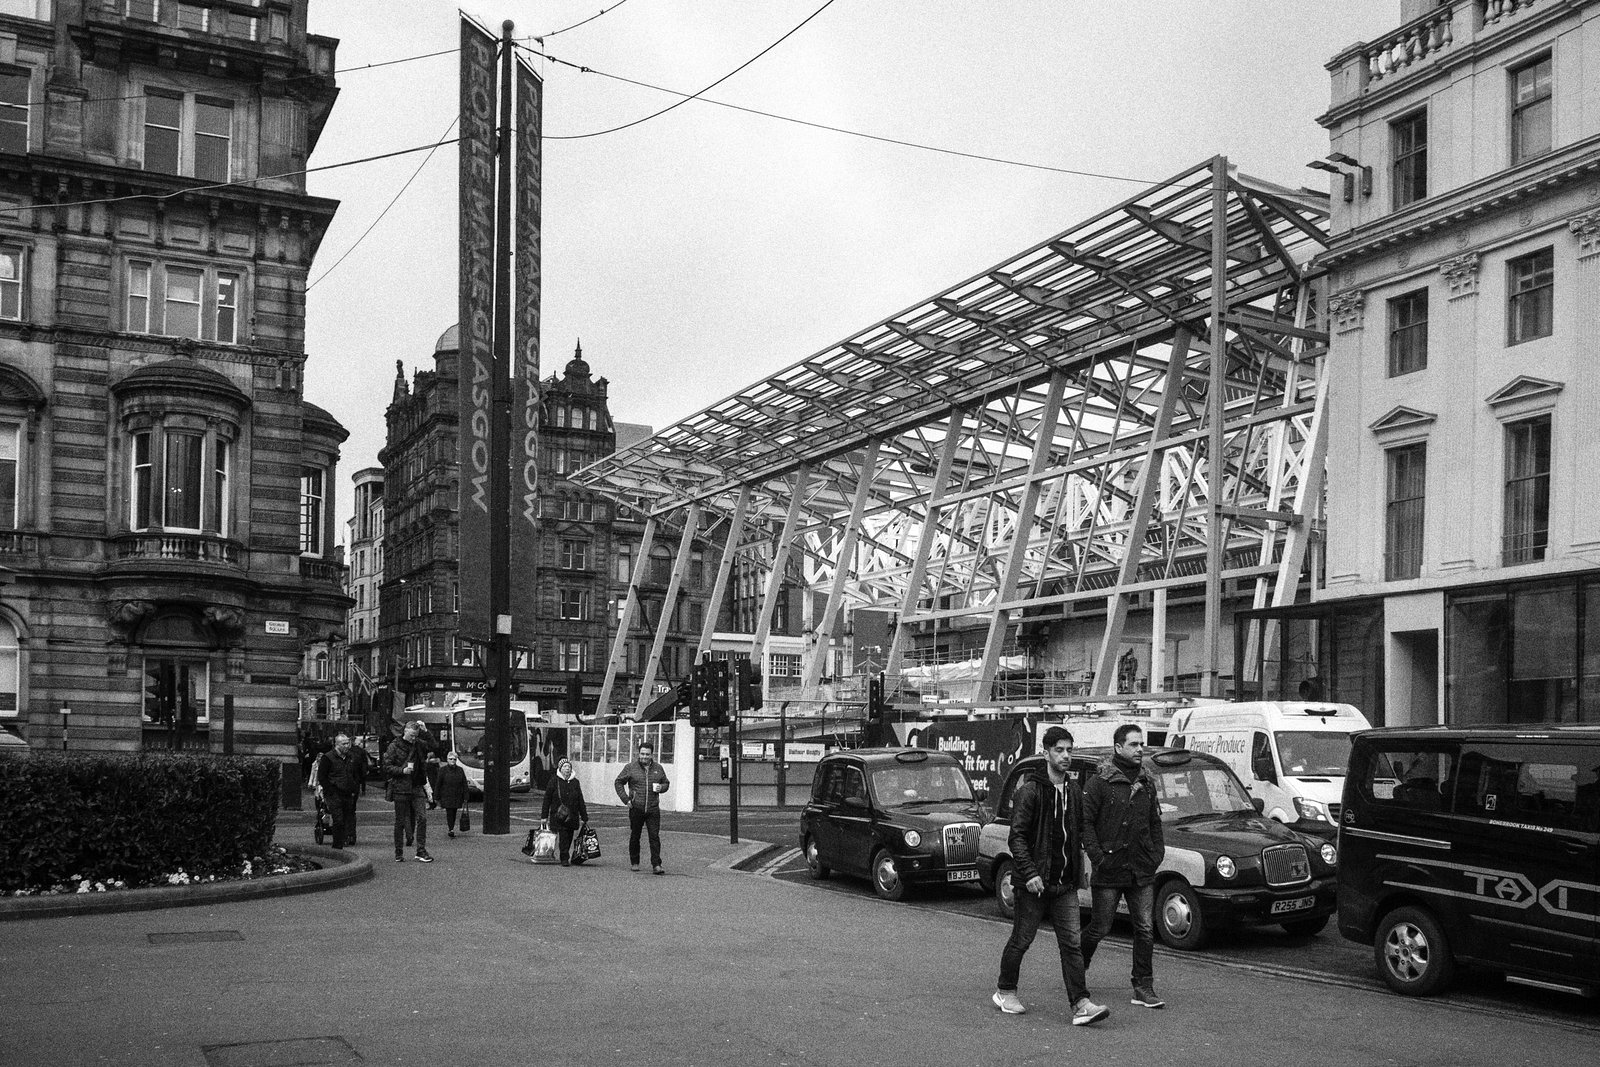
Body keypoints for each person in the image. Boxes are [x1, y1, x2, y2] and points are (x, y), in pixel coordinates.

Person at [992, 726, 1109, 1026]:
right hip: (1034, 884)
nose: (1066, 756)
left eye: (1069, 750)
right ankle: (1005, 991)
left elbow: (1078, 831)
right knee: (1022, 939)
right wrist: (1030, 873)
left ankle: (1081, 1004)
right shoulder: (1029, 791)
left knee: (1071, 943)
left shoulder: (1072, 791)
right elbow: (1016, 837)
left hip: (1064, 884)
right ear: (1046, 753)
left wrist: (1082, 863)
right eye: (1059, 750)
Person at [1081, 723, 1166, 1009]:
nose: (1140, 749)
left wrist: (1156, 854)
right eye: (1133, 744)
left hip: (1141, 868)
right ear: (1118, 748)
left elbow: (1155, 822)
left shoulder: (1147, 782)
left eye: (1141, 744)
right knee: (1100, 927)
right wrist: (1099, 858)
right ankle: (1076, 968)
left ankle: (1143, 986)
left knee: (1144, 928)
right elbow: (1086, 825)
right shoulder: (1099, 783)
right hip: (1109, 868)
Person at [382, 721, 435, 863]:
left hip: (417, 785)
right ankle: (399, 852)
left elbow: (434, 746)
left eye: (416, 736)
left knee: (422, 818)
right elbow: (386, 766)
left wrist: (425, 731)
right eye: (412, 735)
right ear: (405, 731)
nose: (413, 738)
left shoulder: (418, 743)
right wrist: (402, 770)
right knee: (400, 821)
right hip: (400, 787)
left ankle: (421, 850)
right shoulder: (394, 746)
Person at [614, 740, 669, 874]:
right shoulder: (630, 767)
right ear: (638, 754)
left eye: (647, 754)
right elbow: (618, 782)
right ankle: (634, 861)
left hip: (652, 809)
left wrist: (661, 787)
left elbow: (666, 783)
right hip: (636, 808)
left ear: (652, 755)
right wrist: (626, 799)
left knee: (654, 836)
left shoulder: (658, 768)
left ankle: (656, 865)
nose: (644, 757)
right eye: (642, 754)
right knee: (635, 836)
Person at [313, 733, 363, 850]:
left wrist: (354, 787)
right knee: (338, 819)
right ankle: (337, 845)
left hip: (348, 792)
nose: (347, 746)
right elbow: (322, 776)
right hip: (334, 793)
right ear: (337, 745)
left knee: (347, 819)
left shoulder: (351, 757)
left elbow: (356, 773)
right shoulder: (328, 757)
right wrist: (329, 790)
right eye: (344, 744)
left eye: (348, 743)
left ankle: (343, 841)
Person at [541, 757, 589, 866]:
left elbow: (580, 800)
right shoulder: (554, 781)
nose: (567, 769)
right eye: (565, 766)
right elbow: (547, 799)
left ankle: (565, 854)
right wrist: (544, 816)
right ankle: (564, 857)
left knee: (569, 835)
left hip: (572, 815)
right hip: (559, 815)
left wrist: (584, 816)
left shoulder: (575, 782)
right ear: (560, 768)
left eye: (569, 766)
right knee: (563, 835)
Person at [436, 752, 469, 838]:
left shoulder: (460, 770)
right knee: (449, 812)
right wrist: (436, 796)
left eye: (454, 759)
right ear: (447, 760)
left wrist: (466, 796)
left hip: (457, 795)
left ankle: (451, 827)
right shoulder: (442, 770)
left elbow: (464, 783)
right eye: (450, 759)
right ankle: (451, 829)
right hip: (446, 795)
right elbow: (438, 784)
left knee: (453, 812)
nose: (452, 761)